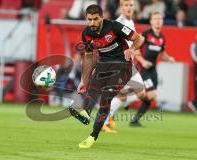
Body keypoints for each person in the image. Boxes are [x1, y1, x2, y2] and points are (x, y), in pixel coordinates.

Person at [69, 4, 144, 149]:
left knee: (105, 97)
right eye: (89, 19)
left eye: (95, 19)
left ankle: (92, 136)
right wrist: (84, 80)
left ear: (102, 17)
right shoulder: (86, 33)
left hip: (122, 66)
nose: (92, 23)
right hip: (103, 65)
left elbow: (139, 38)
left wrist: (132, 49)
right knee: (90, 91)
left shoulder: (115, 27)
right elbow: (89, 57)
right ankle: (85, 114)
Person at [102, 0, 145, 133]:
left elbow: (131, 42)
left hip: (128, 64)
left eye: (131, 5)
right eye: (126, 5)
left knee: (139, 92)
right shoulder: (119, 23)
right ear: (121, 7)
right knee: (127, 94)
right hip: (121, 64)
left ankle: (108, 117)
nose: (129, 8)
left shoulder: (130, 22)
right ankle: (104, 121)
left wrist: (133, 50)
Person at [130, 11, 175, 126]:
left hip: (152, 70)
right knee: (152, 95)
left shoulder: (161, 38)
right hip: (142, 69)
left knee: (150, 97)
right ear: (151, 21)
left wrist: (168, 58)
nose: (158, 21)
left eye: (160, 18)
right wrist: (143, 61)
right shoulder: (145, 35)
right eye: (155, 19)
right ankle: (127, 98)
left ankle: (135, 120)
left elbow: (162, 53)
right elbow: (135, 50)